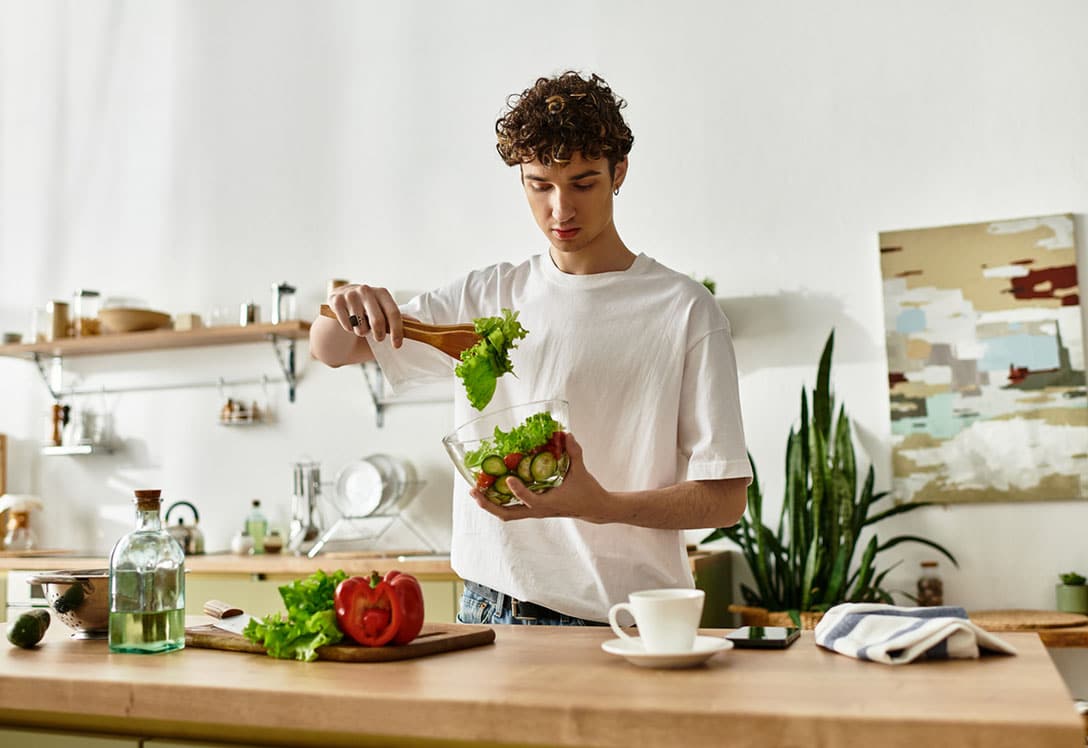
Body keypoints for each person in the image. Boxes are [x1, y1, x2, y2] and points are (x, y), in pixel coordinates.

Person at [310, 71, 751, 626]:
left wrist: (602, 507)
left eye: (583, 183)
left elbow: (725, 497)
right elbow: (331, 349)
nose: (560, 209)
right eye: (540, 185)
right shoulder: (488, 296)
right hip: (491, 610)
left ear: (619, 172)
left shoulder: (684, 309)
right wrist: (344, 303)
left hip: (620, 621)